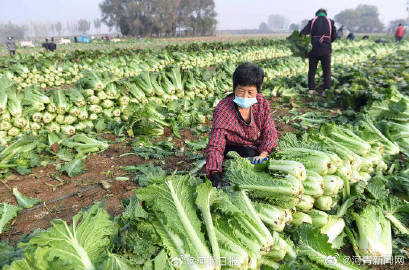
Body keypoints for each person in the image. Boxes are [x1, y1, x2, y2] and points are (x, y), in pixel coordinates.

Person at [206, 63, 279, 188]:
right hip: (233, 148)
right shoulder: (223, 109)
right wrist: (214, 174)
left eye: (250, 92)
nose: (245, 96)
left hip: (257, 147)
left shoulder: (261, 103)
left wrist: (263, 153)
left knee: (264, 158)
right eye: (240, 91)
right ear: (234, 88)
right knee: (248, 154)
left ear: (257, 91)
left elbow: (269, 130)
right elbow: (216, 144)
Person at [300, 9, 337, 93]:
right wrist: (327, 41)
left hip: (313, 49)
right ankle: (326, 89)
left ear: (316, 15)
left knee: (312, 69)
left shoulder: (312, 21)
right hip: (326, 49)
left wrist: (306, 44)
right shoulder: (330, 22)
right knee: (326, 70)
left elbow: (302, 33)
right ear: (325, 14)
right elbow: (334, 36)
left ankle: (311, 89)